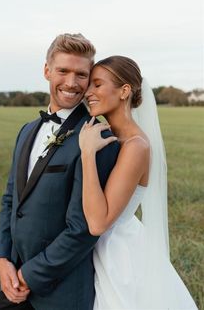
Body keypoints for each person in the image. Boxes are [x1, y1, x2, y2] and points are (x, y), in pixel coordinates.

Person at [0, 34, 119, 310]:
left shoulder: (98, 139)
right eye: (63, 71)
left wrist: (30, 274)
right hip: (11, 282)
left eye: (81, 74)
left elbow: (84, 228)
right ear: (47, 70)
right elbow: (10, 200)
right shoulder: (26, 131)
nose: (71, 83)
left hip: (60, 294)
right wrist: (3, 259)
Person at [79, 55, 198, 309]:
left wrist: (87, 154)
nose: (87, 92)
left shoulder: (136, 146)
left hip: (117, 254)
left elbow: (99, 223)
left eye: (97, 85)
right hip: (98, 247)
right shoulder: (108, 135)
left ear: (124, 91)